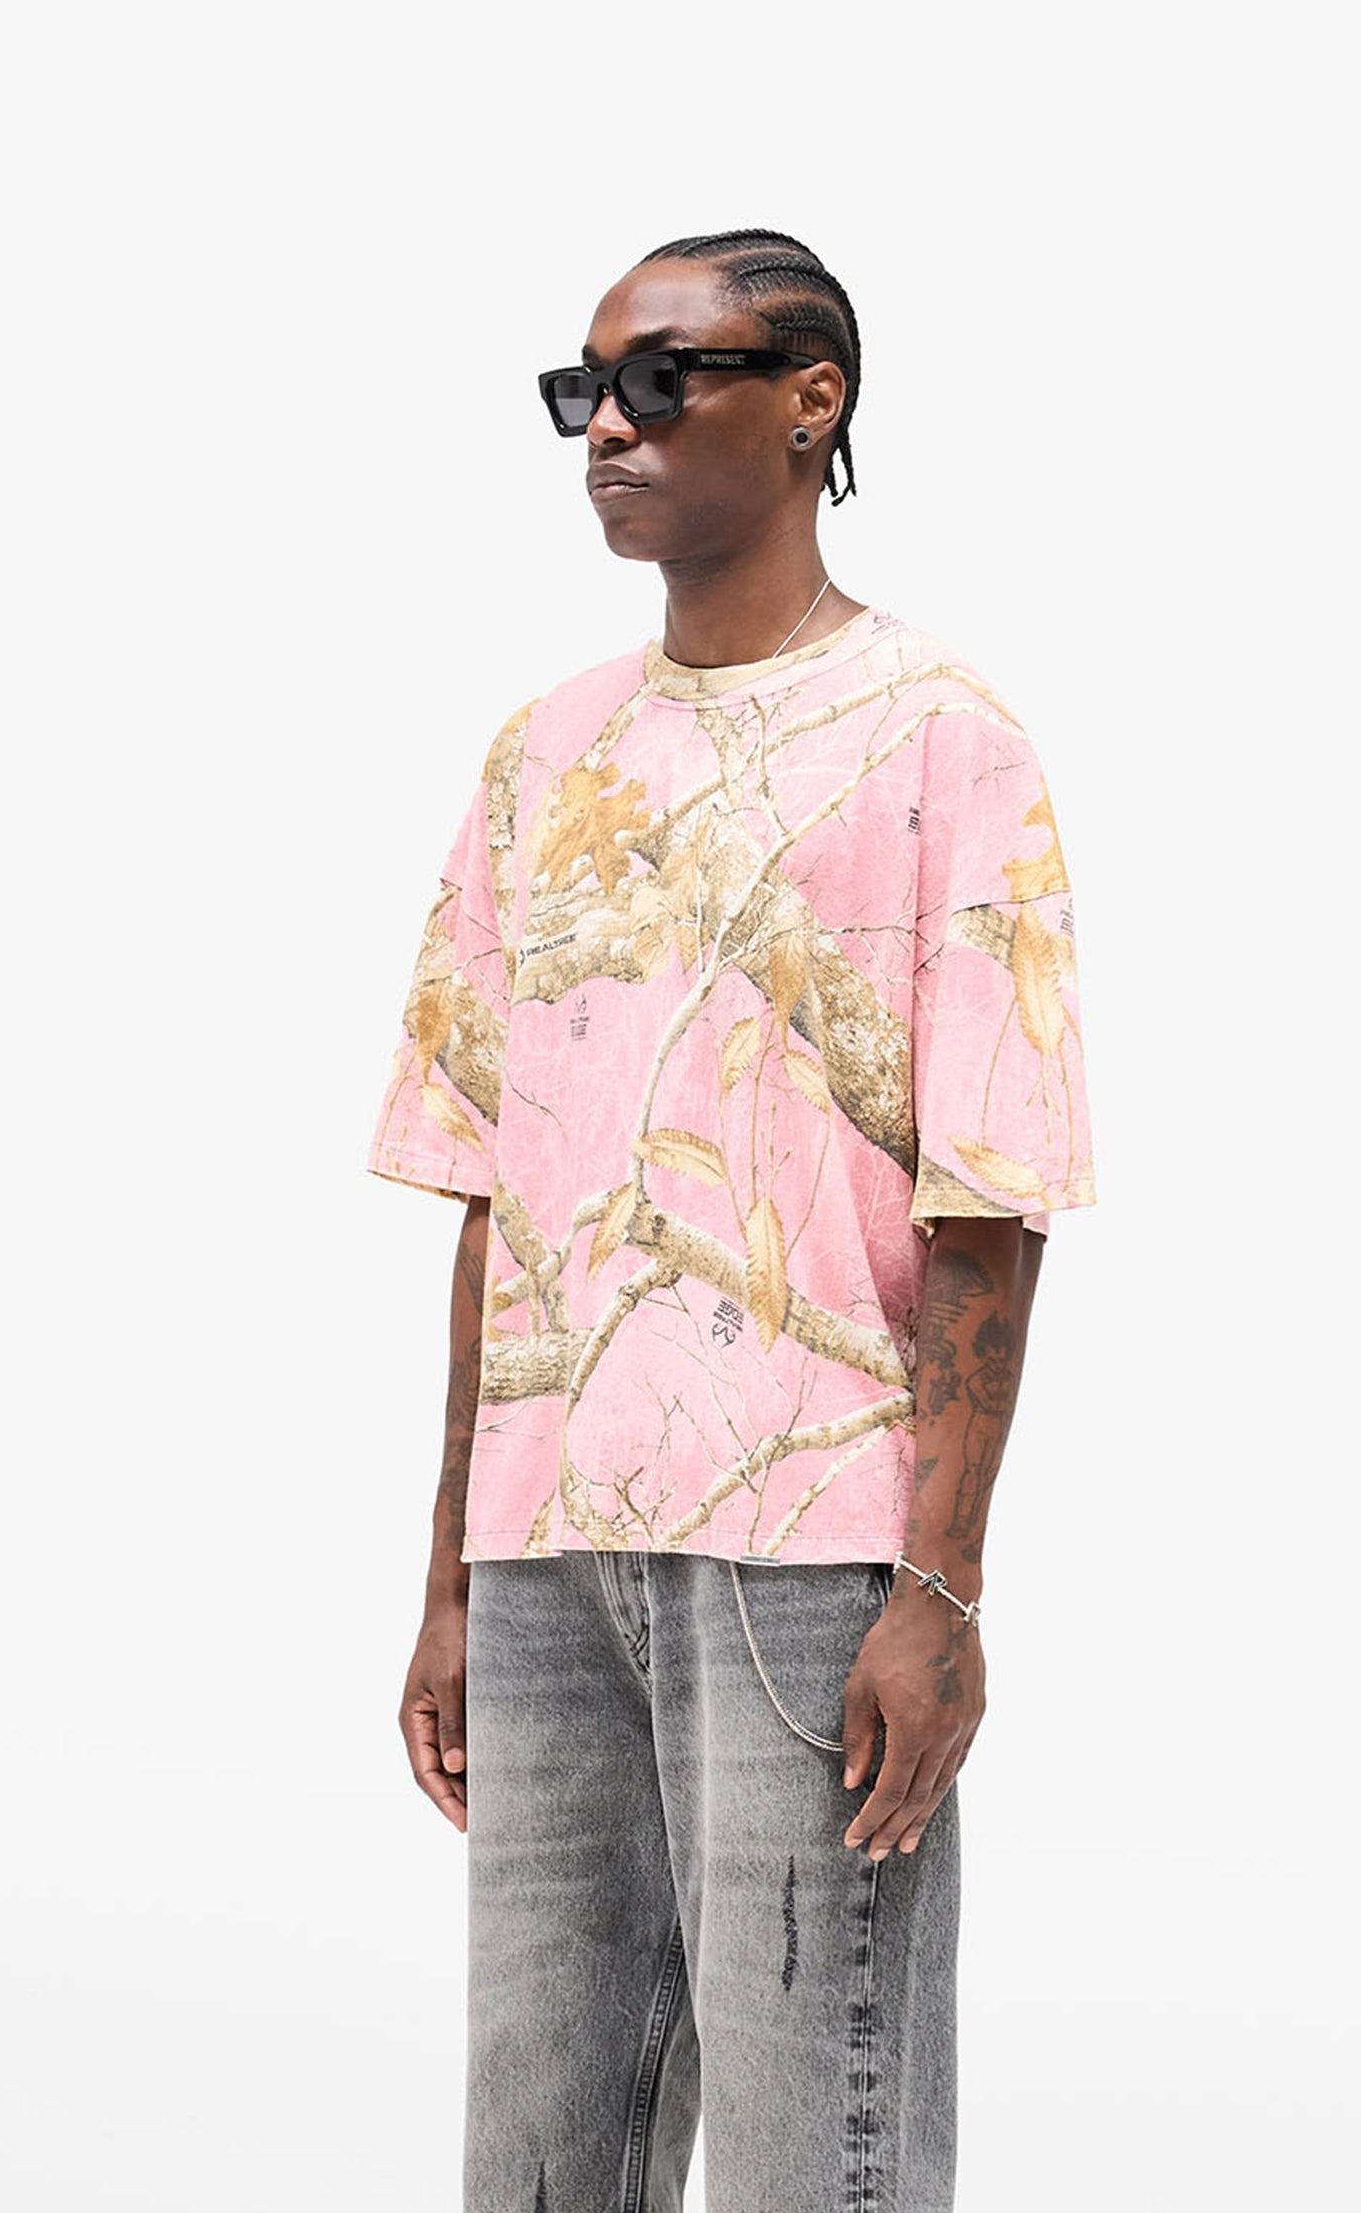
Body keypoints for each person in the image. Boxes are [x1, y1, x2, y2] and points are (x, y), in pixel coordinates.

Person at [365, 228, 1096, 2211]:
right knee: (537, 2158)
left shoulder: (943, 740)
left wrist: (939, 1590)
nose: (608, 427)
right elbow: (491, 1185)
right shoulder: (544, 755)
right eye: (581, 391)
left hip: (812, 1558)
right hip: (547, 1550)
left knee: (813, 2160)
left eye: (660, 380)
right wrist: (451, 1572)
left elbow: (990, 1196)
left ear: (809, 402)